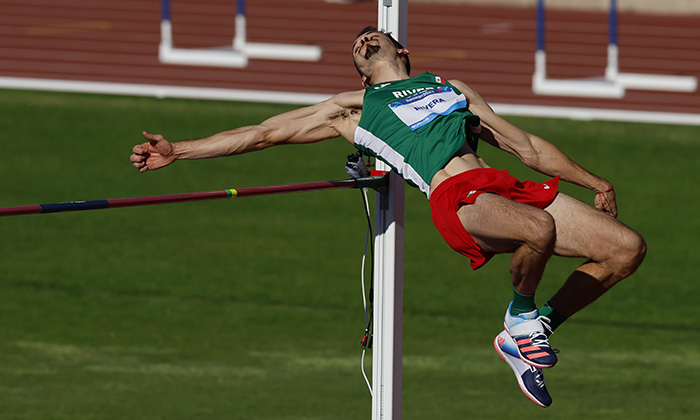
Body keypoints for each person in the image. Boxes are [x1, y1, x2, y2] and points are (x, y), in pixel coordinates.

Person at [130, 26, 646, 407]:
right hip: (456, 197)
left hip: (503, 184)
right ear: (358, 67)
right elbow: (263, 133)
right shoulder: (352, 109)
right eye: (356, 43)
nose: (362, 40)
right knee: (538, 229)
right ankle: (519, 317)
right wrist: (181, 150)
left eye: (372, 35)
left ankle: (533, 330)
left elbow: (527, 147)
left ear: (402, 50)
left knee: (626, 249)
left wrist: (595, 181)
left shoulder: (454, 88)